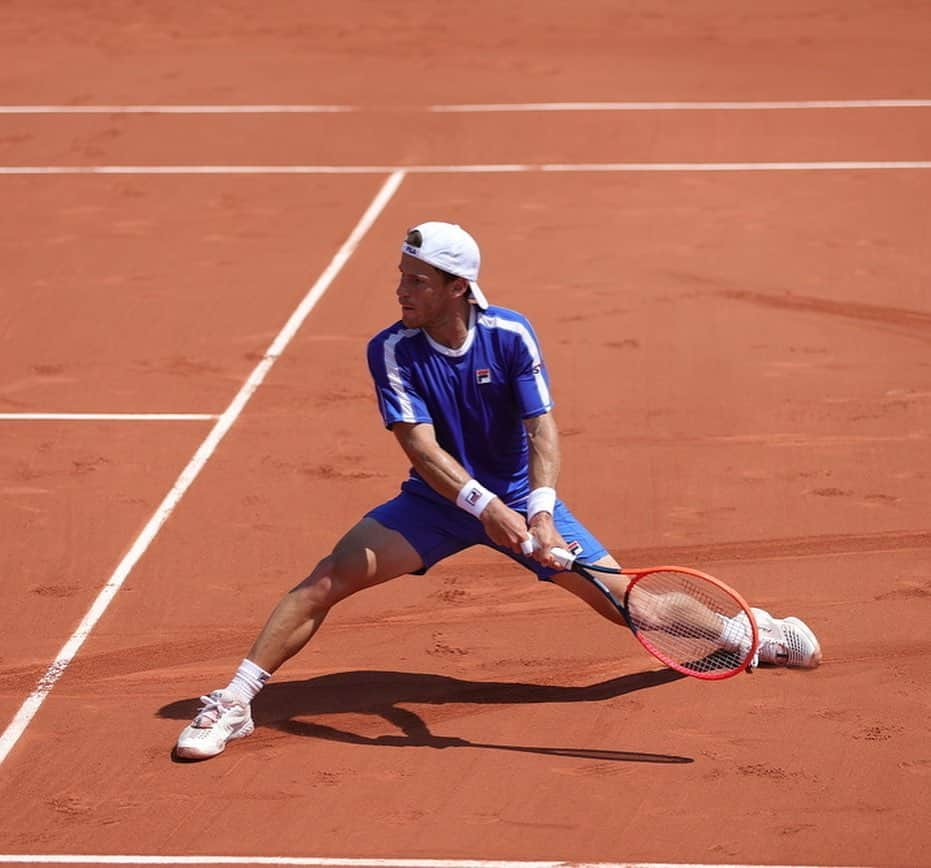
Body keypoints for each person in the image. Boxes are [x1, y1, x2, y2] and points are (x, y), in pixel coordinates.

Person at [175, 221, 821, 760]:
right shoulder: (391, 351)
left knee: (632, 605)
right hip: (437, 503)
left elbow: (541, 426)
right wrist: (486, 511)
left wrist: (536, 513)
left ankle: (748, 635)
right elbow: (420, 449)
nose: (400, 290)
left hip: (519, 494)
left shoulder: (508, 334)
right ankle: (233, 703)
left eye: (416, 280)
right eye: (401, 275)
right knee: (327, 578)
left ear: (457, 288)